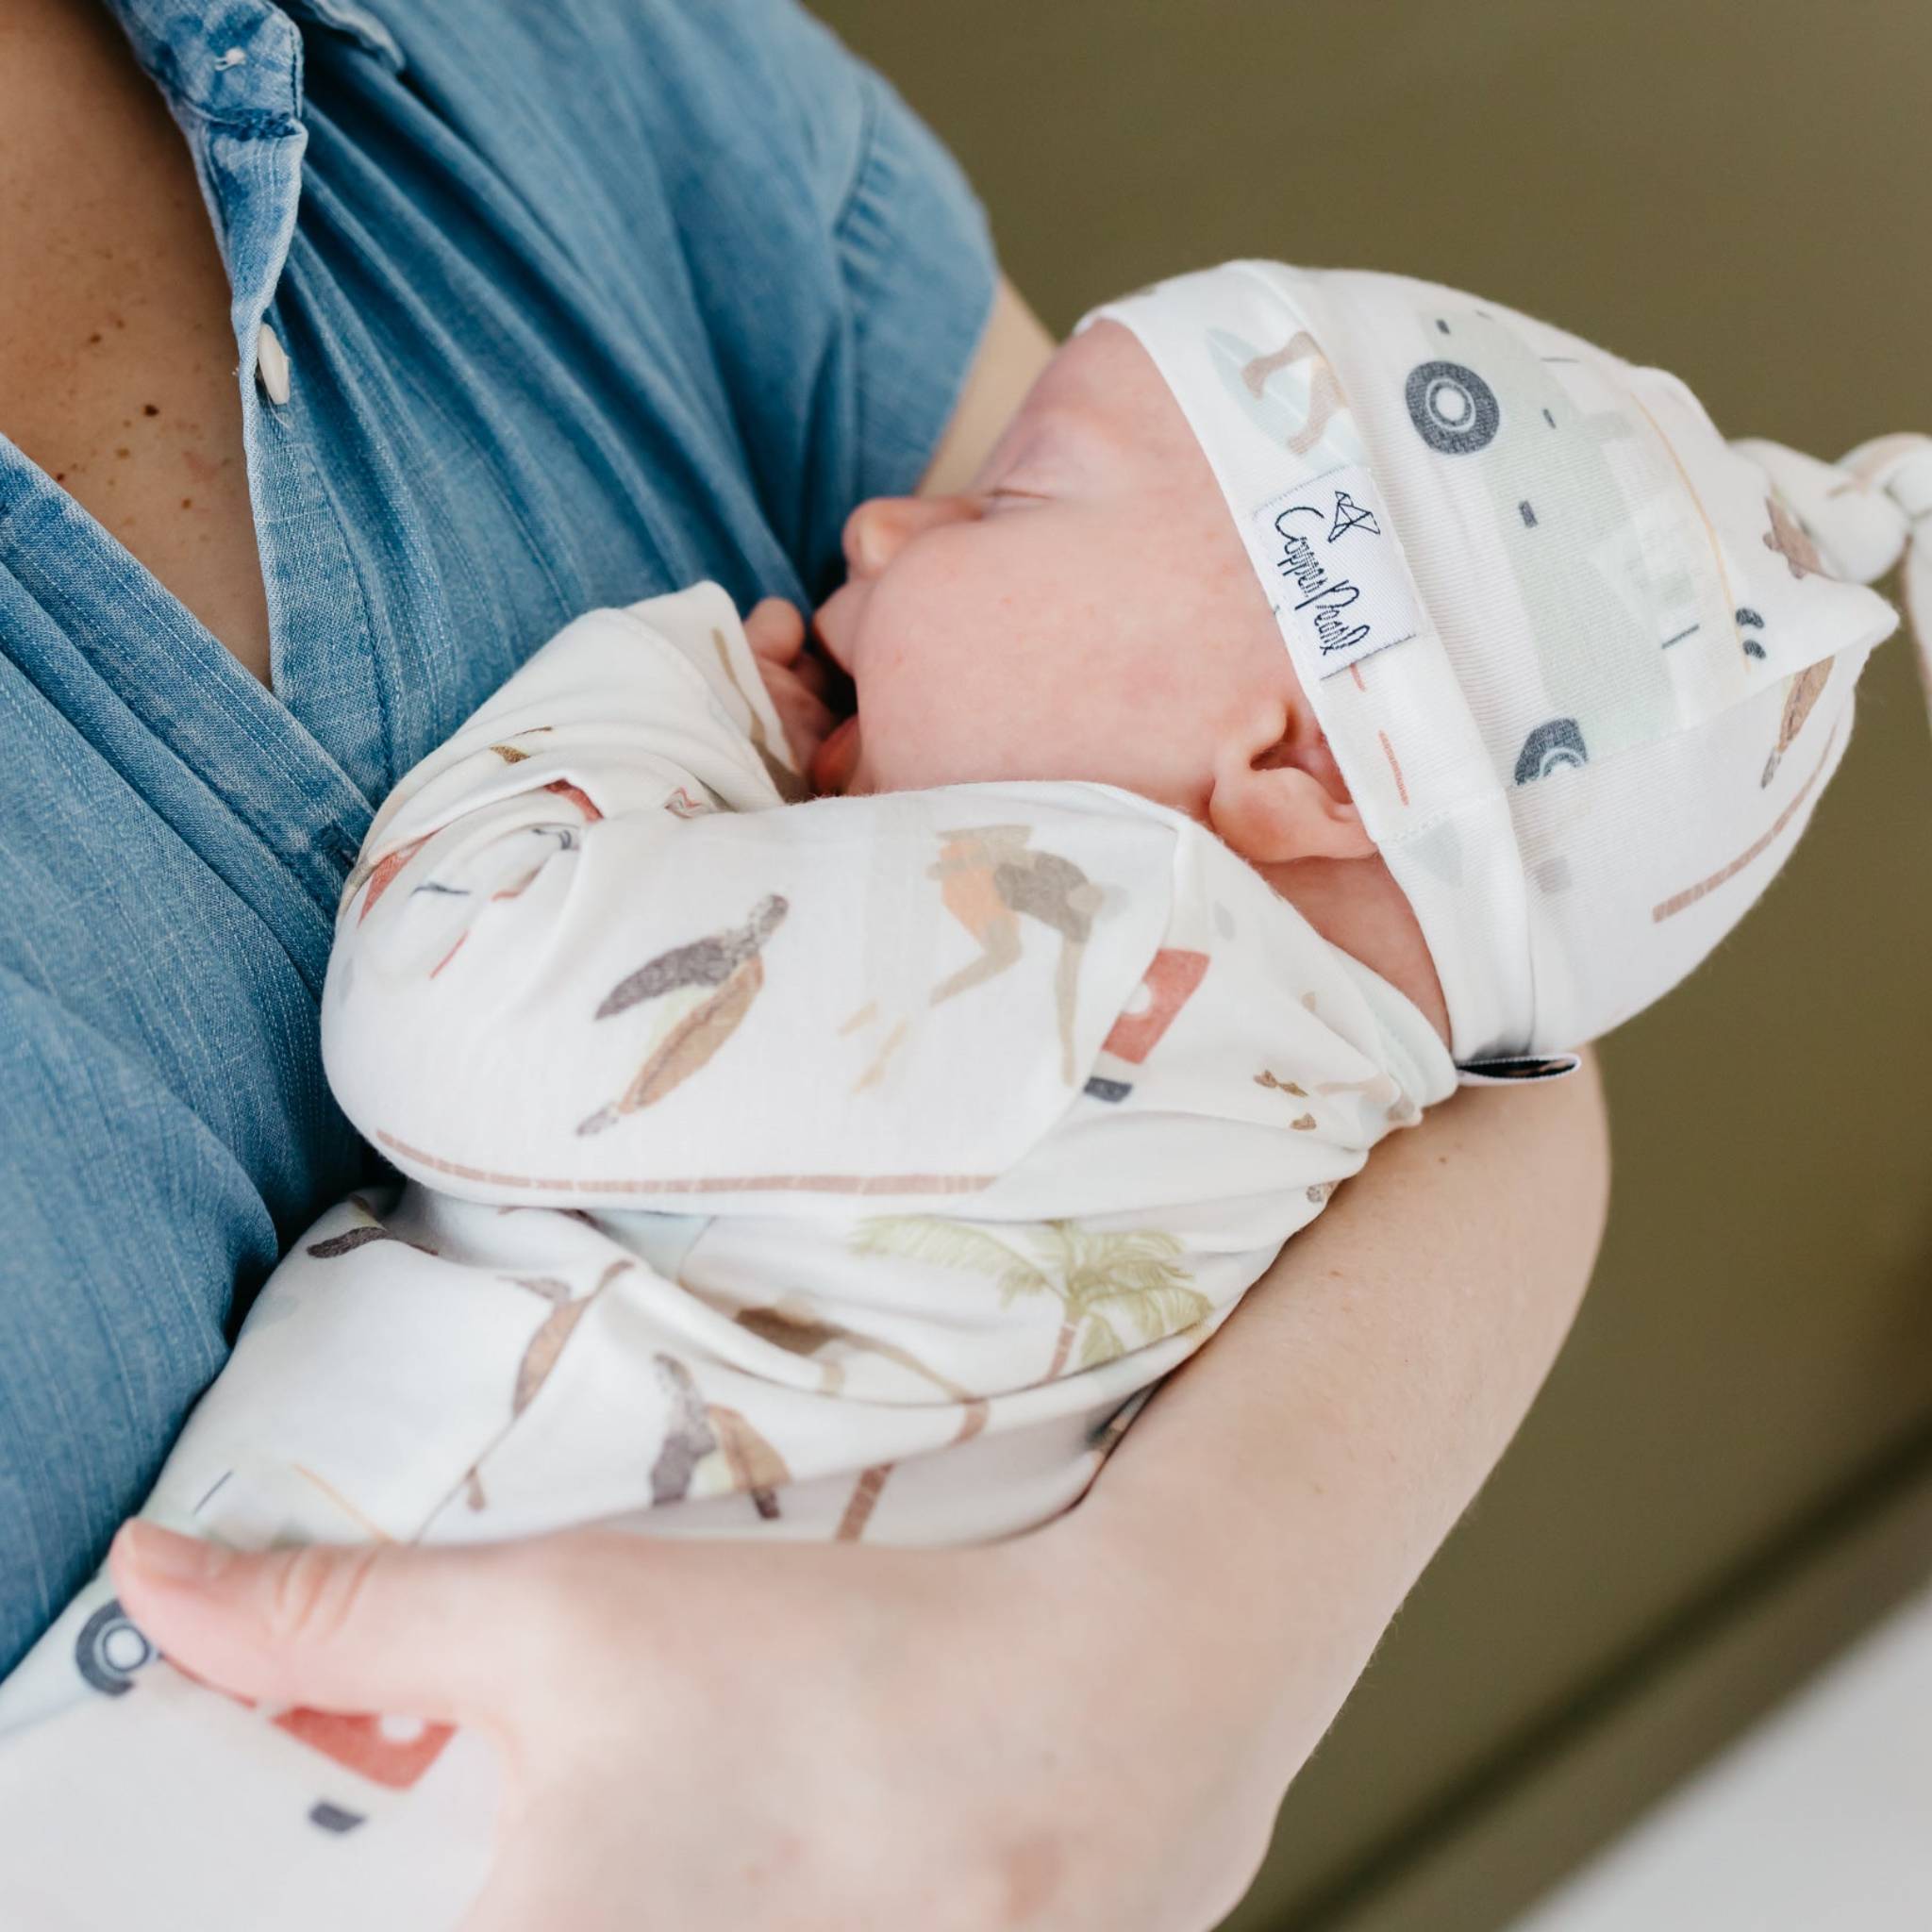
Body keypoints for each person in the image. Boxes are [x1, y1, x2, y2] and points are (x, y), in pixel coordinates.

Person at [1, 4, 1612, 1926]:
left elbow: (1497, 1051)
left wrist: (1138, 1689)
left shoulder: (566, 53)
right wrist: (664, 692)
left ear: (1296, 774)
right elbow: (1465, 1008)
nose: (874, 530)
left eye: (1002, 505)